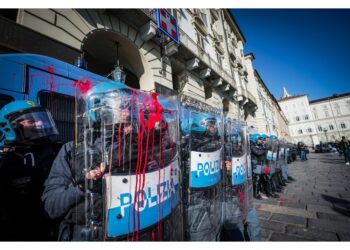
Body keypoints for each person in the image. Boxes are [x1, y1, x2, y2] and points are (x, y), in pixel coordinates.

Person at [0, 100, 60, 241]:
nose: (39, 123)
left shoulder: (57, 150)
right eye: (30, 121)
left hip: (56, 228)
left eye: (40, 119)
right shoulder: (6, 162)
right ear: (9, 127)